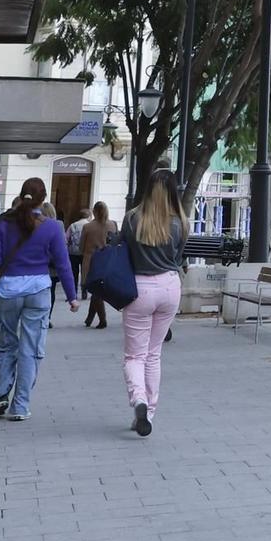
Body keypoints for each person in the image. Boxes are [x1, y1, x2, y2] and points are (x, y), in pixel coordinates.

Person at [0, 178, 78, 421]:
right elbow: (63, 264)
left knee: (6, 343)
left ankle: (1, 394)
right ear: (43, 199)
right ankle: (20, 405)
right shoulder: (52, 227)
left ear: (21, 195)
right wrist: (72, 296)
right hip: (38, 291)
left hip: (8, 291)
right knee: (31, 348)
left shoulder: (4, 225)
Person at [121, 169, 186, 437]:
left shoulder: (133, 219)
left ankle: (139, 400)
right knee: (154, 353)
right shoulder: (180, 222)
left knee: (135, 355)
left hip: (140, 288)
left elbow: (120, 248)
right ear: (173, 192)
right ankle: (149, 414)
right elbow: (179, 257)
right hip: (170, 287)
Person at [78, 201, 114, 328]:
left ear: (94, 211)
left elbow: (81, 247)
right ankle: (89, 318)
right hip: (107, 261)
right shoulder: (112, 225)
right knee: (97, 290)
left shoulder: (88, 227)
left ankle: (102, 320)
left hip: (91, 261)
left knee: (96, 290)